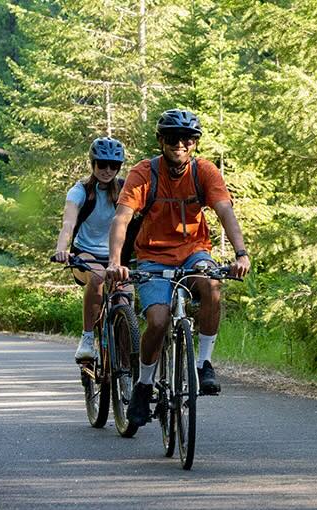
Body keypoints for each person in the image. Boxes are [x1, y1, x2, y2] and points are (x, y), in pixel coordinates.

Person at [107, 108, 251, 428]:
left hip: (194, 252)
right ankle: (144, 386)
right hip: (153, 257)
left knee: (211, 285)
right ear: (161, 141)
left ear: (195, 143)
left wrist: (241, 254)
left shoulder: (204, 172)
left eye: (188, 139)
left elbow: (225, 211)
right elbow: (122, 219)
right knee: (157, 322)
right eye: (173, 138)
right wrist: (116, 263)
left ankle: (204, 364)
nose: (181, 144)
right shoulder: (144, 173)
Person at [52, 137, 129, 362]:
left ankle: (126, 367)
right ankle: (87, 339)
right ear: (93, 164)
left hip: (116, 257)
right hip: (86, 254)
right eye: (102, 164)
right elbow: (68, 223)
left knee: (125, 302)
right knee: (97, 277)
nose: (107, 170)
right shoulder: (80, 190)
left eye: (113, 165)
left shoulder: (123, 190)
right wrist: (61, 249)